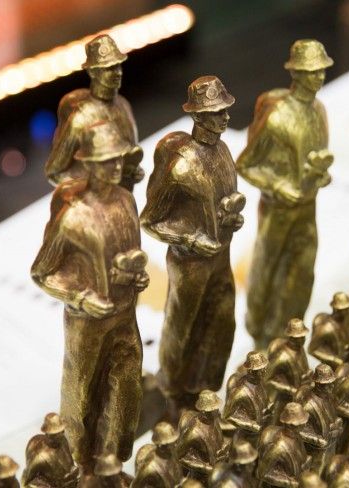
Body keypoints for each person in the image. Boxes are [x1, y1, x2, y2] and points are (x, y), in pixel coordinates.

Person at [31, 123, 148, 470]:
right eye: (107, 161)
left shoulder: (126, 201)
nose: (116, 166)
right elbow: (42, 272)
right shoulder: (73, 217)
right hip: (87, 323)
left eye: (118, 159)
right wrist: (80, 299)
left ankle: (112, 467)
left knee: (126, 391)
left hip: (125, 316)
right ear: (90, 164)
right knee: (82, 399)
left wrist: (136, 278)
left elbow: (129, 255)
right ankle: (79, 468)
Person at [141, 76, 243, 413]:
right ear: (198, 116)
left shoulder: (223, 151)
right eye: (217, 112)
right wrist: (190, 240)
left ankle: (205, 390)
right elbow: (150, 220)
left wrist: (231, 221)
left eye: (225, 110)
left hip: (221, 256)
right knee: (182, 327)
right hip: (190, 263)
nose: (226, 117)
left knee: (221, 321)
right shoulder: (181, 165)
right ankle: (173, 391)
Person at [238, 39, 333, 349]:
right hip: (278, 210)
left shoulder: (319, 111)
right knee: (267, 270)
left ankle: (289, 336)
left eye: (321, 70)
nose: (319, 77)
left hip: (307, 207)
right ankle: (260, 335)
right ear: (296, 74)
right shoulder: (278, 117)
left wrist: (320, 176)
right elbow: (246, 165)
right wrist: (278, 186)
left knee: (302, 271)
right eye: (312, 72)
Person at [45, 35, 143, 191]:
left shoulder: (123, 105)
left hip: (124, 197)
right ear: (92, 72)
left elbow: (129, 157)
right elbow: (54, 172)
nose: (118, 73)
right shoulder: (82, 117)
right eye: (109, 68)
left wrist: (133, 172)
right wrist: (89, 188)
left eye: (118, 66)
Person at [21, 413, 78, 488]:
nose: (63, 433)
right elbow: (28, 481)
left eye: (62, 430)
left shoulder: (63, 440)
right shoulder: (39, 455)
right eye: (57, 432)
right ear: (48, 434)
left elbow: (70, 465)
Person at [132, 422, 183, 488]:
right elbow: (135, 485)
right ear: (161, 446)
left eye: (173, 442)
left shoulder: (172, 455)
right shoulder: (149, 468)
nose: (174, 445)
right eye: (170, 444)